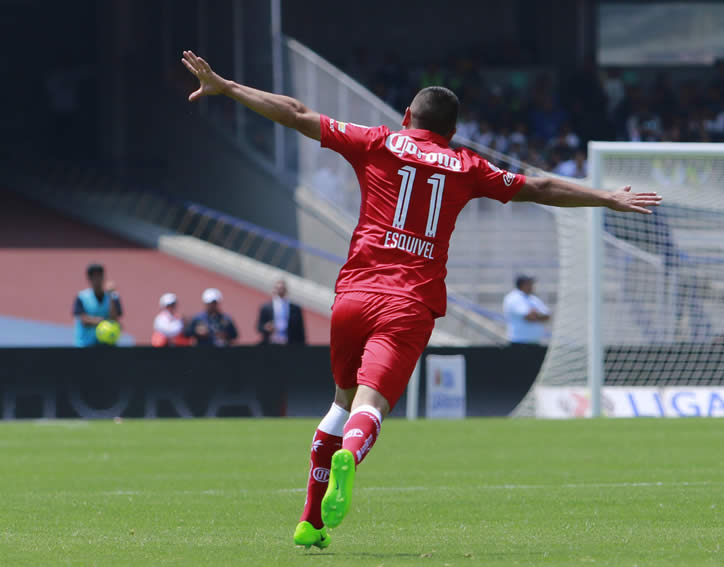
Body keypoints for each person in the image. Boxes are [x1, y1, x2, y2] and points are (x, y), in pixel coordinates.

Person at [181, 50, 661, 549]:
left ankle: (311, 522)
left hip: (353, 296)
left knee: (340, 402)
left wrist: (229, 86)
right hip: (408, 303)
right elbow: (538, 186)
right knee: (370, 407)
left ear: (407, 117)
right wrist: (605, 197)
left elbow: (296, 113)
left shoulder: (378, 141)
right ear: (452, 132)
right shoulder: (467, 165)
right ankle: (350, 457)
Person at [72, 263, 122, 347]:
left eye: (99, 276)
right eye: (94, 277)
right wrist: (103, 321)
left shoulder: (113, 296)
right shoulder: (82, 297)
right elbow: (83, 320)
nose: (97, 280)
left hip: (108, 344)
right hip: (86, 344)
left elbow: (114, 318)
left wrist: (110, 295)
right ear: (89, 279)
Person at [503, 275, 550, 344]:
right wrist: (538, 316)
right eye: (529, 283)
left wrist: (535, 314)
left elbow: (547, 316)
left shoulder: (534, 298)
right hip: (519, 342)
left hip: (535, 341)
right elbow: (529, 317)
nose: (532, 286)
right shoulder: (513, 297)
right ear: (522, 284)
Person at [257, 280, 306, 345]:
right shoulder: (266, 307)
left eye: (282, 288)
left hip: (290, 344)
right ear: (274, 290)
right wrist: (266, 327)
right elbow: (259, 326)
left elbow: (301, 329)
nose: (280, 291)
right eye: (278, 288)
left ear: (286, 290)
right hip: (271, 343)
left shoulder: (295, 309)